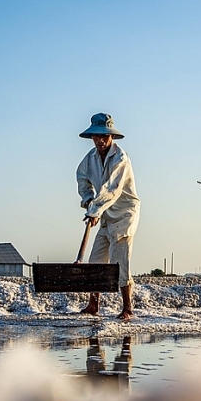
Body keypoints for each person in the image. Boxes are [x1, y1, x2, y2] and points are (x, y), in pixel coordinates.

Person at [76, 113, 141, 318]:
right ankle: (93, 305)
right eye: (96, 136)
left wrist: (95, 210)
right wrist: (88, 199)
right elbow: (82, 178)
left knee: (120, 261)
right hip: (103, 213)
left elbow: (111, 189)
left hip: (123, 215)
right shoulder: (90, 159)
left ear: (111, 136)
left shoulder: (120, 158)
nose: (100, 140)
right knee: (96, 259)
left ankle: (127, 308)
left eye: (104, 136)